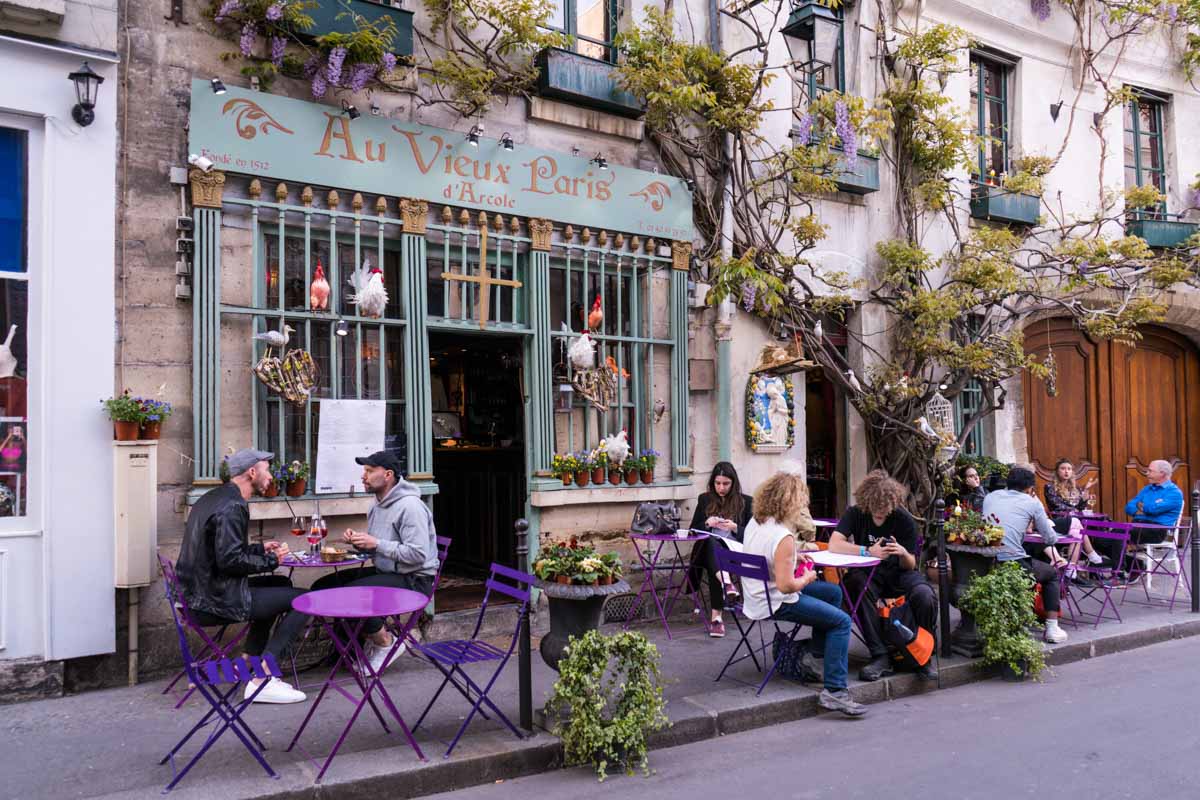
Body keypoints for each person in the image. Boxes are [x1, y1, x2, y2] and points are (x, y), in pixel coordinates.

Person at [176, 448, 309, 704]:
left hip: (197, 594)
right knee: (304, 600)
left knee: (279, 583)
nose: (270, 476)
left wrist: (259, 550)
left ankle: (250, 661)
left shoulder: (213, 497)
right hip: (212, 601)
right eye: (266, 470)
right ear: (251, 472)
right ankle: (264, 679)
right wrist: (272, 560)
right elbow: (230, 561)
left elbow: (221, 552)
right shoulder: (233, 506)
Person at [740, 465, 866, 717]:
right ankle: (835, 691)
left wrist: (792, 560)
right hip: (775, 600)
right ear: (790, 503)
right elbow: (788, 586)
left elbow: (769, 559)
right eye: (800, 503)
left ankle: (815, 661)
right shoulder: (783, 536)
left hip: (756, 594)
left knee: (833, 594)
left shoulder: (756, 523)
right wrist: (807, 577)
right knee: (841, 621)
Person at [312, 450, 439, 675]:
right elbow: (381, 546)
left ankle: (385, 641)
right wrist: (360, 542)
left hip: (414, 579)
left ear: (388, 475)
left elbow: (418, 555)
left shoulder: (410, 507)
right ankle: (349, 649)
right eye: (364, 471)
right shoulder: (376, 504)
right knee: (323, 587)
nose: (363, 476)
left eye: (370, 471)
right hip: (388, 571)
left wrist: (376, 544)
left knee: (351, 594)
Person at [828, 470, 938, 682]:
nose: (880, 512)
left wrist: (903, 553)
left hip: (899, 573)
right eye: (876, 508)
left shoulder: (903, 519)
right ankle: (880, 656)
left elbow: (912, 564)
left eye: (886, 508)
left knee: (925, 594)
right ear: (867, 500)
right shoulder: (856, 513)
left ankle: (924, 655)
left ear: (893, 503)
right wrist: (867, 551)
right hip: (869, 573)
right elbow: (835, 544)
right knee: (856, 586)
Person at [981, 466, 1069, 644]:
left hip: (986, 559)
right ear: (1030, 488)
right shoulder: (1032, 502)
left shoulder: (990, 496)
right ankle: (1052, 627)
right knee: (1051, 574)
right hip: (1012, 561)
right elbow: (1050, 538)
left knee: (1030, 561)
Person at [686, 462, 754, 638]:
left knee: (716, 560)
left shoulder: (746, 502)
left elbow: (753, 535)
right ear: (712, 482)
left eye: (725, 484)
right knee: (711, 546)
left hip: (734, 552)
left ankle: (717, 618)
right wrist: (708, 523)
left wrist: (734, 528)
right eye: (717, 483)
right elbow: (693, 530)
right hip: (708, 550)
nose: (721, 488)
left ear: (733, 484)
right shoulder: (705, 499)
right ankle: (725, 583)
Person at [1043, 459, 1106, 569]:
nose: (1066, 471)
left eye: (1069, 469)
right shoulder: (1050, 487)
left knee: (1083, 530)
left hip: (1075, 519)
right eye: (1063, 469)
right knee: (1081, 528)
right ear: (1057, 471)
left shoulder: (1074, 488)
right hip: (1060, 521)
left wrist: (1085, 491)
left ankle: (1073, 570)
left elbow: (1079, 507)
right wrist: (1075, 510)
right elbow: (1058, 505)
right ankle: (1092, 556)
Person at [1124, 459, 1184, 546]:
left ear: (1162, 473)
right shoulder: (1147, 489)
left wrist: (1142, 507)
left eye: (1150, 471)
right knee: (1102, 538)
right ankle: (1125, 560)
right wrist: (1142, 508)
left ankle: (1120, 560)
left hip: (1157, 530)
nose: (1147, 473)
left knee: (1120, 533)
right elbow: (1129, 507)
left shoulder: (1174, 492)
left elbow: (1153, 509)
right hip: (1138, 525)